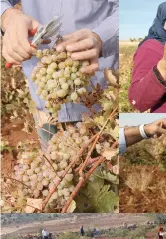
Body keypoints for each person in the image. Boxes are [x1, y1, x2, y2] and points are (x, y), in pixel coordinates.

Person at [1, 0, 119, 151]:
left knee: (97, 166)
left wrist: (102, 37)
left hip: (95, 104)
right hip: (43, 103)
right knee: (52, 165)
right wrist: (7, 15)